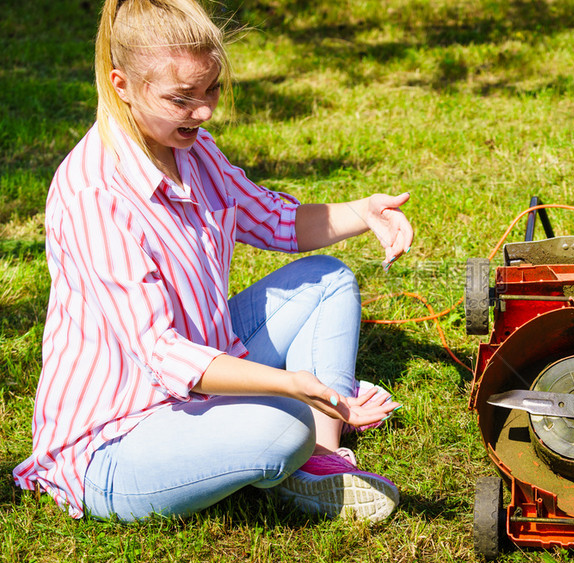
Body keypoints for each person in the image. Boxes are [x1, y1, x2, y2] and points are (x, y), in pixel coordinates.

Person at [12, 0, 412, 524]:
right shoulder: (95, 195)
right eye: (182, 98)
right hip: (115, 440)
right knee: (286, 422)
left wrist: (363, 212)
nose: (203, 112)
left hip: (201, 371)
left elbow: (274, 219)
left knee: (328, 279)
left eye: (212, 89)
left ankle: (320, 457)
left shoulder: (192, 150)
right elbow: (161, 353)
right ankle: (298, 439)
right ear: (121, 85)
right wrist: (291, 383)